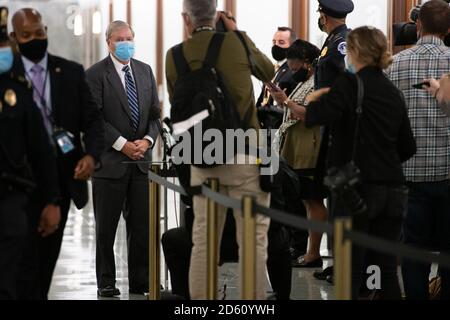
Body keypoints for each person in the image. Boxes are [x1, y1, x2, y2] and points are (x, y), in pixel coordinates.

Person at [275, 26, 416, 299]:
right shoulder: (392, 91)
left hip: (355, 192)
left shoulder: (349, 84)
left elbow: (316, 117)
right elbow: (407, 147)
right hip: (392, 193)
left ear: (355, 52)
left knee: (350, 265)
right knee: (383, 268)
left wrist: (317, 98)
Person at [166, 0, 274, 300]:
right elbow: (268, 72)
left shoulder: (173, 57)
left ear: (185, 19)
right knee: (252, 241)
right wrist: (238, 33)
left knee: (203, 243)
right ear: (217, 17)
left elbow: (182, 108)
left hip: (202, 157)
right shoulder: (236, 43)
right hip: (246, 155)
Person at [10, 8, 105, 300]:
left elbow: (92, 120)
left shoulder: (70, 73)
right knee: (20, 262)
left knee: (45, 262)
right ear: (14, 38)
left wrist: (91, 156)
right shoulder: (6, 76)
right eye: (27, 35)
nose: (35, 40)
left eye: (39, 33)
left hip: (63, 179)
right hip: (18, 182)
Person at [86, 20, 161, 297]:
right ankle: (106, 282)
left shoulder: (145, 71)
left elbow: (154, 115)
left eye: (129, 38)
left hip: (141, 163)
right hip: (110, 164)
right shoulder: (95, 75)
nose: (126, 43)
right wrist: (122, 145)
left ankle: (141, 280)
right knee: (106, 228)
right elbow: (94, 119)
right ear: (109, 42)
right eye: (120, 39)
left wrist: (147, 140)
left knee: (141, 227)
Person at [387, 0, 450, 300]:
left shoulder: (395, 64)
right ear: (449, 30)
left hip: (410, 173)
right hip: (449, 172)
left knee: (413, 251)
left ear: (418, 25)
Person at [0, 6, 61, 300]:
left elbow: (41, 150)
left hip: (12, 200)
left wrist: (52, 199)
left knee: (16, 284)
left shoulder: (17, 92)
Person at [270, 40, 326, 269]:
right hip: (295, 148)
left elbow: (309, 114)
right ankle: (303, 248)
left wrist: (287, 102)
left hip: (309, 150)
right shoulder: (305, 82)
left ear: (307, 63)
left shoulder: (317, 83)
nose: (293, 72)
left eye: (295, 68)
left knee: (312, 200)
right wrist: (281, 101)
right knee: (301, 200)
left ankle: (313, 253)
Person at [312, 0, 355, 282]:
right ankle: (337, 261)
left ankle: (345, 265)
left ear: (325, 16)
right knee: (332, 198)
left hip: (339, 129)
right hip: (329, 127)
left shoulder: (342, 42)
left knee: (341, 202)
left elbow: (344, 84)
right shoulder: (333, 40)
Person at [257, 27, 297, 110]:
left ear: (292, 46)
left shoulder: (293, 70)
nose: (276, 45)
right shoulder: (272, 68)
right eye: (274, 42)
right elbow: (263, 98)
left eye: (281, 42)